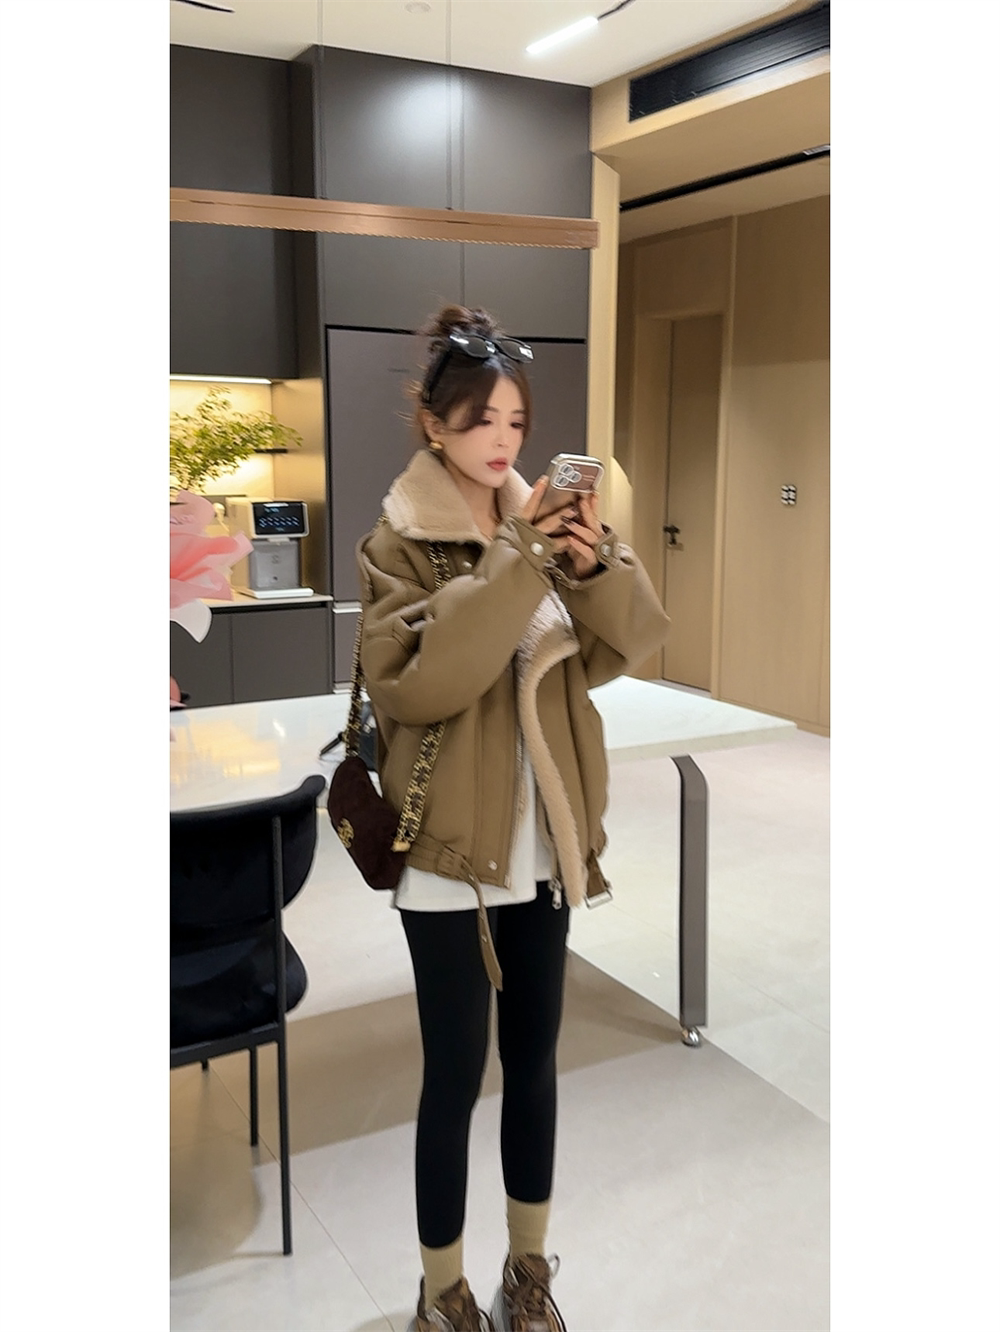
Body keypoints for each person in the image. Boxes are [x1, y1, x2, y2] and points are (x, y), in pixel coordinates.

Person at [356, 305, 670, 1332]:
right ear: (433, 424)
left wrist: (593, 565)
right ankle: (441, 1290)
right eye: (481, 419)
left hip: (544, 844)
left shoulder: (537, 521)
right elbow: (420, 683)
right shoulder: (398, 540)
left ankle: (528, 1272)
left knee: (534, 1064)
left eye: (517, 421)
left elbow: (623, 650)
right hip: (449, 852)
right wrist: (521, 559)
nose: (503, 439)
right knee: (454, 1076)